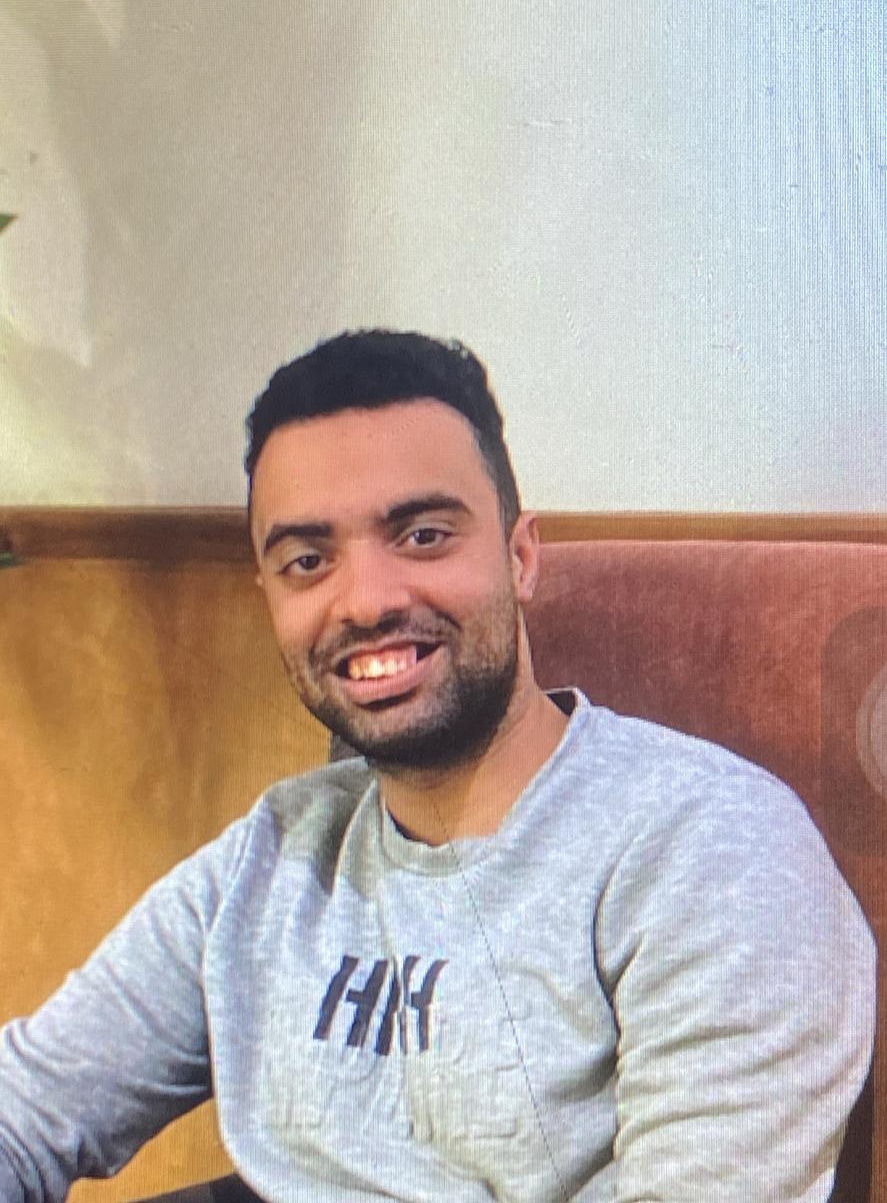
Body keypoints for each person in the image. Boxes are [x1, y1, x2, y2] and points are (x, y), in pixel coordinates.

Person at [0, 330, 876, 1202]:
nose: (366, 600)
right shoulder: (269, 859)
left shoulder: (715, 852)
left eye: (421, 536)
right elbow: (26, 1109)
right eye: (307, 561)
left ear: (519, 557)